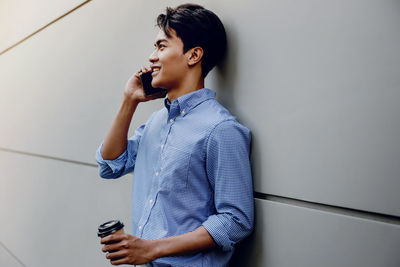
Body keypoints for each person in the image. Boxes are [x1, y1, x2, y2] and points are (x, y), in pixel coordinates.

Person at [95, 4, 254, 267]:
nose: (152, 56)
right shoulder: (156, 122)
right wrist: (129, 100)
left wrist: (152, 249)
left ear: (193, 55)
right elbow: (110, 165)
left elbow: (236, 220)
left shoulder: (221, 129)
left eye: (161, 46)